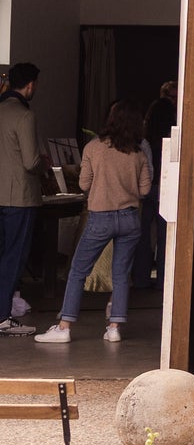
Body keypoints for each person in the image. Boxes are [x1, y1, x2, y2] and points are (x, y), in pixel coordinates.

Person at [36, 101, 151, 344]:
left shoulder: (93, 147)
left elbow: (84, 185)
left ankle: (64, 327)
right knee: (121, 274)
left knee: (78, 271)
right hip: (130, 218)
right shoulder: (139, 153)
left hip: (101, 217)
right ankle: (114, 328)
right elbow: (145, 189)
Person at [0, 63, 45, 335]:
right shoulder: (24, 116)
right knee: (13, 257)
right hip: (19, 196)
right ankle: (3, 316)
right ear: (30, 85)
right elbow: (30, 161)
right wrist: (45, 166)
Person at [142, 80, 177, 284]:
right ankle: (163, 278)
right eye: (172, 97)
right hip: (162, 184)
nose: (174, 101)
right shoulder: (172, 132)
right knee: (164, 234)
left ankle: (141, 277)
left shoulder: (145, 137)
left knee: (143, 234)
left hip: (148, 185)